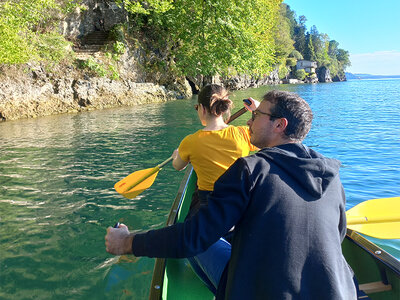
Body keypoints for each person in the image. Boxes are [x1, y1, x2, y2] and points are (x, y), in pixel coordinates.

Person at [105, 90, 357, 300]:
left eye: (256, 116)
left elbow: (193, 239)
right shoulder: (331, 175)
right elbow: (339, 234)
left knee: (197, 237)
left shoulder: (249, 169)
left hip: (263, 293)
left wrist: (127, 242)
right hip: (339, 292)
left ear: (280, 125)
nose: (248, 121)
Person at [170, 83, 257, 293]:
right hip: (243, 208)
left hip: (210, 207)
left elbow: (178, 166)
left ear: (201, 109)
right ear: (226, 107)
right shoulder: (244, 134)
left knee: (189, 236)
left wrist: (177, 153)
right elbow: (268, 141)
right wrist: (257, 111)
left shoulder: (190, 142)